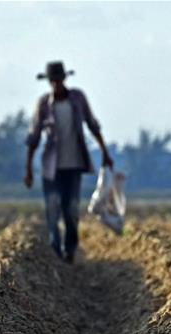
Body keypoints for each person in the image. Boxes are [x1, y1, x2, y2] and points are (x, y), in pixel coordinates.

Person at [25, 61, 114, 263]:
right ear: (49, 82)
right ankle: (55, 251)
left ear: (64, 79)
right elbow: (33, 137)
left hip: (74, 164)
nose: (56, 83)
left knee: (71, 208)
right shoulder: (43, 104)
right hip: (51, 167)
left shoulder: (77, 98)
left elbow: (93, 125)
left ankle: (70, 249)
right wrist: (28, 168)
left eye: (58, 79)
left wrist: (105, 152)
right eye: (52, 81)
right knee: (52, 208)